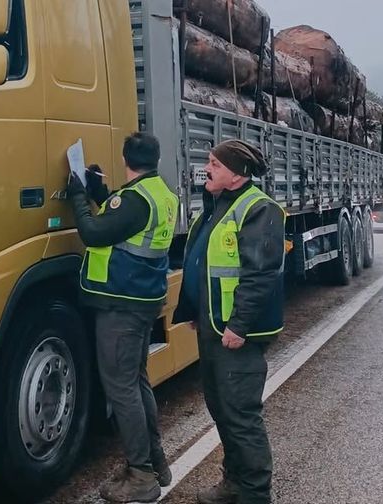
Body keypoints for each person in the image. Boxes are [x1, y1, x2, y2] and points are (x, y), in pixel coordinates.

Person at [172, 140, 286, 504]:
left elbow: (260, 274)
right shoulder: (217, 205)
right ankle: (235, 482)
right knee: (222, 409)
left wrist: (239, 325)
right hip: (213, 323)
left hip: (235, 331)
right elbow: (202, 262)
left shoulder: (259, 209)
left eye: (215, 164)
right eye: (209, 162)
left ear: (237, 174)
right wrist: (193, 309)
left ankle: (254, 493)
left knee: (240, 413)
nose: (207, 169)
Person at [67, 133, 178, 503]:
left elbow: (94, 232)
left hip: (122, 302)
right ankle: (155, 462)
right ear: (155, 159)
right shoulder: (159, 193)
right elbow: (127, 224)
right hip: (143, 299)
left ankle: (141, 475)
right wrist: (102, 194)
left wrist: (78, 196)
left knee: (122, 388)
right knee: (136, 382)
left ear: (125, 159)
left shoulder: (134, 199)